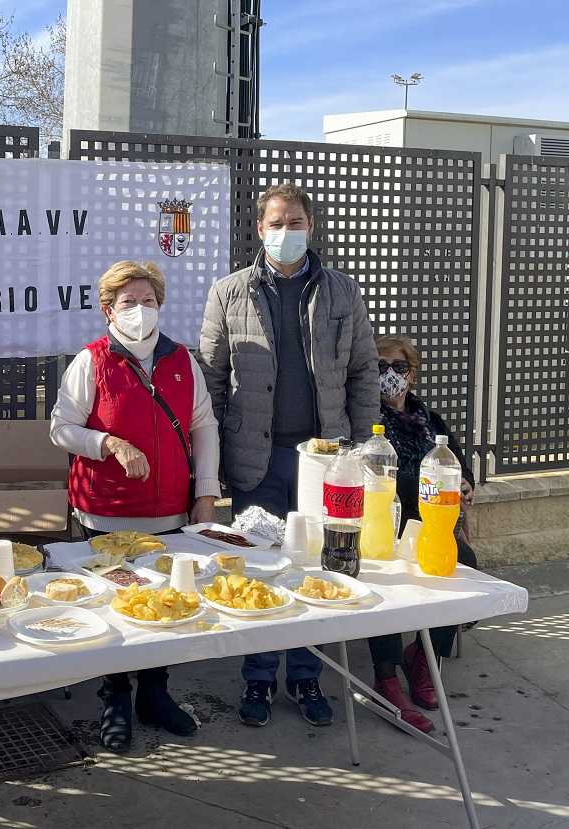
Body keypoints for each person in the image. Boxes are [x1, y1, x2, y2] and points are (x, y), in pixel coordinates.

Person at [198, 182, 380, 729]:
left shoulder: (343, 292)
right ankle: (258, 677)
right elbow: (210, 382)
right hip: (255, 460)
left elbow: (363, 372)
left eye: (294, 222)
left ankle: (306, 675)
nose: (285, 232)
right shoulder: (229, 293)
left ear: (310, 226)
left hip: (325, 460)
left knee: (315, 566)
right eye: (275, 223)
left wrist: (358, 449)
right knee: (259, 567)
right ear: (260, 229)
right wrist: (213, 462)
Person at [50, 260, 221, 752]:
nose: (140, 310)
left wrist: (206, 494)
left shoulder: (182, 360)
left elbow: (204, 425)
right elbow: (61, 427)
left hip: (170, 513)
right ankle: (115, 698)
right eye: (128, 302)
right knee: (115, 607)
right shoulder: (92, 361)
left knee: (166, 603)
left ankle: (155, 693)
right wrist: (109, 444)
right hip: (104, 513)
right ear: (108, 310)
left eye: (148, 301)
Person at [366, 335, 478, 733]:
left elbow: (460, 466)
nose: (390, 375)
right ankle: (386, 679)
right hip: (387, 524)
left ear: (411, 375)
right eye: (381, 366)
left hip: (431, 524)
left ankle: (425, 657)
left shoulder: (430, 420)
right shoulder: (367, 419)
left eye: (398, 367)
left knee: (464, 565)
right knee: (384, 583)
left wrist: (464, 483)